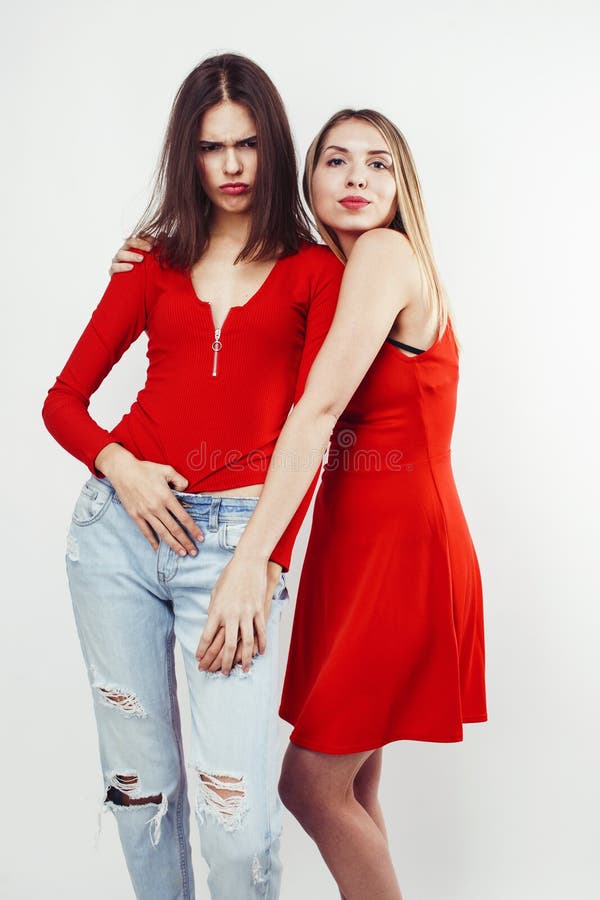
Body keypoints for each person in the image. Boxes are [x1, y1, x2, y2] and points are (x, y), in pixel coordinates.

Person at [42, 53, 344, 900]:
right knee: (143, 798)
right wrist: (124, 469)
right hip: (117, 536)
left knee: (236, 822)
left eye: (248, 144)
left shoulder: (315, 273)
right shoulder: (152, 264)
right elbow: (62, 402)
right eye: (213, 148)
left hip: (235, 552)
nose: (234, 167)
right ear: (190, 154)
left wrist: (266, 559)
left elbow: (310, 435)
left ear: (272, 146)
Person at [193, 108, 488, 900]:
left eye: (379, 163)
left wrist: (249, 561)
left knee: (311, 786)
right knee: (351, 788)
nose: (357, 177)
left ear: (402, 188)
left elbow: (316, 416)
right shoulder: (334, 275)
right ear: (309, 180)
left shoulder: (386, 255)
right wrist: (147, 257)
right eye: (337, 161)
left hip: (401, 551)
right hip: (355, 546)